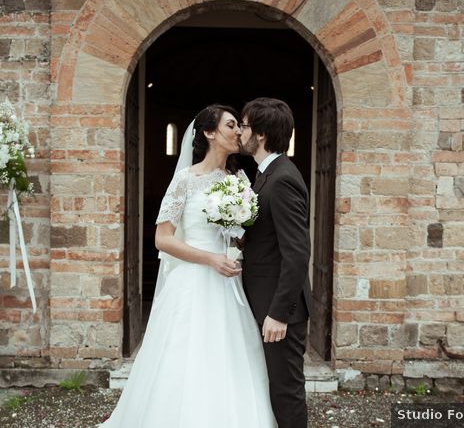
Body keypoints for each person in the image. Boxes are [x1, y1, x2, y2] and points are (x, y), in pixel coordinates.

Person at [101, 104, 277, 428]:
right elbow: (162, 239)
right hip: (193, 282)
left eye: (239, 126)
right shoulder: (184, 180)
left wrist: (237, 246)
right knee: (185, 356)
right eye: (231, 125)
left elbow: (240, 234)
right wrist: (209, 258)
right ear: (210, 133)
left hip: (227, 282)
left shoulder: (239, 179)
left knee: (228, 356)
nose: (239, 131)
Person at [238, 97, 313, 428]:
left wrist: (279, 314)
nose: (241, 132)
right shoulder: (265, 175)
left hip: (278, 310)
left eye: (245, 126)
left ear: (262, 135)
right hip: (262, 301)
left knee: (286, 390)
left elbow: (297, 252)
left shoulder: (282, 179)